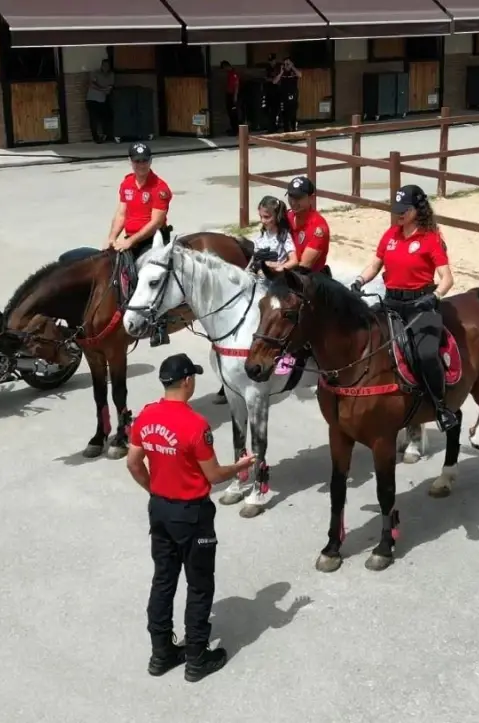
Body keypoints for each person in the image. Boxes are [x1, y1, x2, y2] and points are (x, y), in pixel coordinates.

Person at [126, 353, 256, 682]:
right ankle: (197, 657)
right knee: (199, 585)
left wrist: (154, 489)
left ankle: (161, 653)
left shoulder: (146, 416)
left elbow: (133, 462)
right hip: (193, 515)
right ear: (187, 381)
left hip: (160, 509)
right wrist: (240, 467)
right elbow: (213, 476)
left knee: (163, 580)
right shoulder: (195, 425)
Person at [349, 184, 457, 431]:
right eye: (396, 209)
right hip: (391, 302)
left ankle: (441, 407)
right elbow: (375, 264)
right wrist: (359, 280)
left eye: (403, 210)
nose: (398, 214)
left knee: (426, 353)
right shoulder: (390, 234)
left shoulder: (431, 238)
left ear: (417, 210)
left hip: (420, 304)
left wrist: (436, 296)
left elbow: (447, 277)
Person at [105, 141, 175, 346]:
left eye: (144, 161)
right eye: (137, 161)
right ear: (130, 162)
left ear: (150, 161)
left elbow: (155, 223)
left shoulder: (160, 188)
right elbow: (121, 213)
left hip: (153, 239)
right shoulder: (127, 183)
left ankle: (160, 326)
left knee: (152, 275)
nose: (141, 165)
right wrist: (112, 238)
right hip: (131, 238)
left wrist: (130, 242)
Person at [277, 176, 330, 276]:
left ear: (311, 198)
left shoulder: (318, 228)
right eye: (291, 196)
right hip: (286, 270)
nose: (293, 202)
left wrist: (276, 268)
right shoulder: (287, 217)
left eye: (298, 198)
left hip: (309, 280)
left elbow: (304, 266)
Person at [249, 195, 298, 272]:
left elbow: (294, 261)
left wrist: (280, 267)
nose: (262, 221)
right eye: (261, 217)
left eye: (266, 217)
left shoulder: (283, 237)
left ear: (277, 216)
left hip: (274, 279)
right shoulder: (261, 235)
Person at [86, 59, 115, 143]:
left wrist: (105, 90)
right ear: (101, 66)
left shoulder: (111, 75)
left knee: (107, 118)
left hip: (103, 100)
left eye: (107, 66)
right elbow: (91, 84)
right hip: (92, 99)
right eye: (104, 65)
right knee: (94, 120)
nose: (106, 67)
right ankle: (96, 138)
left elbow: (110, 87)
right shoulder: (95, 73)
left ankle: (105, 135)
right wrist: (102, 89)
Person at [274, 57, 302, 133]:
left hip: (293, 95)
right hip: (284, 96)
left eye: (288, 63)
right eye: (285, 64)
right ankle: (287, 133)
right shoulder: (282, 72)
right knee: (285, 115)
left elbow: (300, 75)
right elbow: (274, 82)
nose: (286, 65)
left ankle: (294, 131)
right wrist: (280, 73)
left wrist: (292, 67)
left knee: (293, 114)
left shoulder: (294, 71)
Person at [221, 60, 240, 136]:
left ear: (227, 66)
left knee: (233, 113)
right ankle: (233, 128)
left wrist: (235, 96)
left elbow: (236, 85)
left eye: (224, 68)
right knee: (230, 112)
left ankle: (235, 130)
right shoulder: (229, 73)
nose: (224, 70)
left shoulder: (234, 74)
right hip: (229, 94)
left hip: (232, 95)